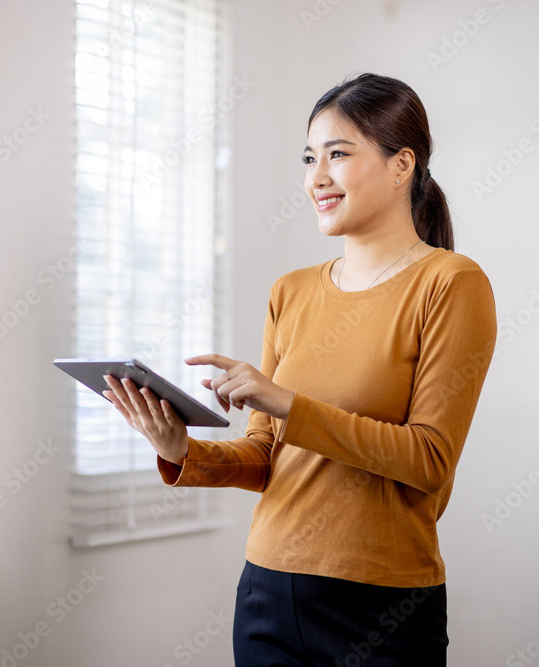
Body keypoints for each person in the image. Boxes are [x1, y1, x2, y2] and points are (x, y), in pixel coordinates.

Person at [102, 72, 497, 667]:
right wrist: (181, 449)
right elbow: (266, 458)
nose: (317, 178)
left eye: (339, 155)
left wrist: (287, 403)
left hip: (383, 604)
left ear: (402, 165)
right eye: (310, 157)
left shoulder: (451, 283)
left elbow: (429, 460)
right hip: (268, 591)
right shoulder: (290, 292)